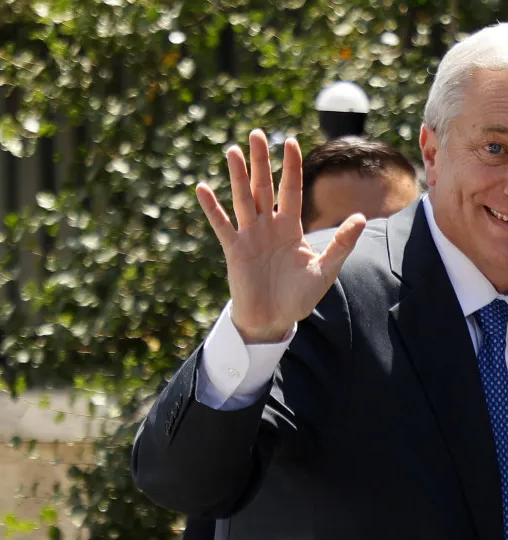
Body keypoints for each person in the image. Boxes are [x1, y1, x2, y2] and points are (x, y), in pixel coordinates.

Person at [133, 20, 508, 540]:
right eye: (496, 149)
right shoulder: (329, 291)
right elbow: (185, 484)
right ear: (432, 153)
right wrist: (252, 336)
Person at [180, 136, 420, 540]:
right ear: (298, 237)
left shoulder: (480, 339)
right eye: (344, 232)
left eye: (391, 231)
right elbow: (203, 484)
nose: (371, 251)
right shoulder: (270, 357)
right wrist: (254, 338)